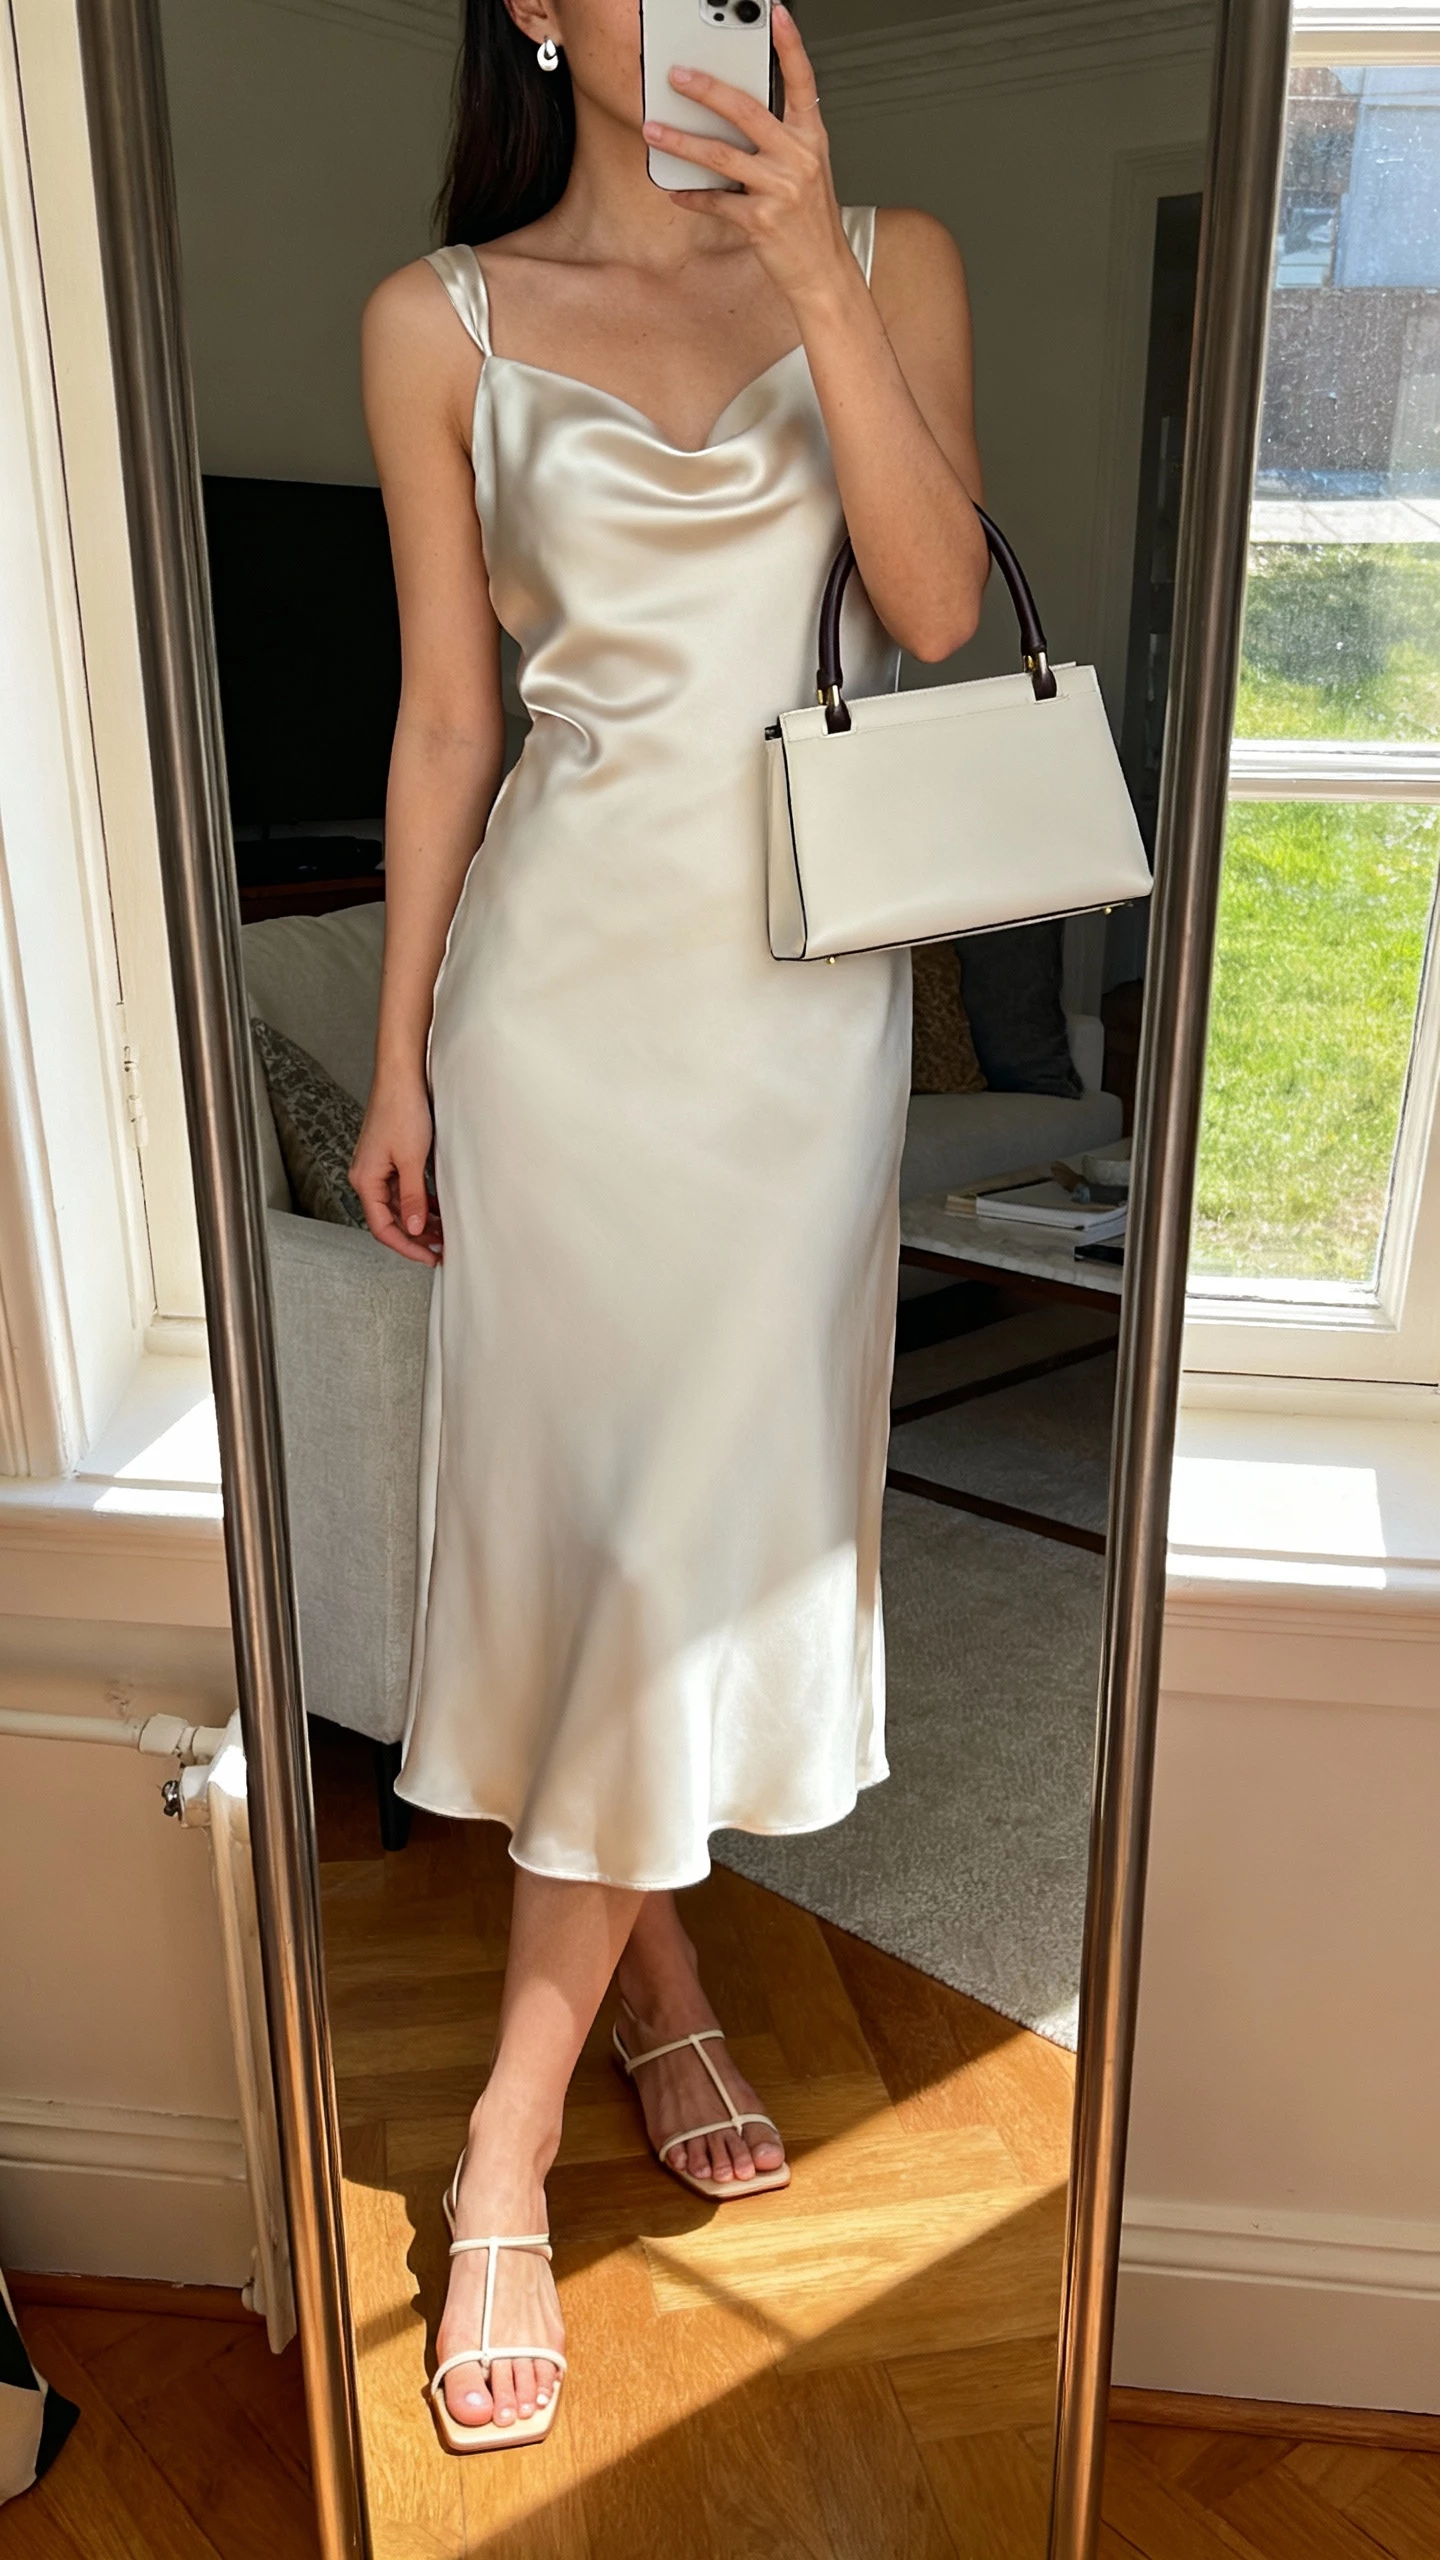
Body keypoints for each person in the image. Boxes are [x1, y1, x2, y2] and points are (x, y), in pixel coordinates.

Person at [350, 0, 985, 2452]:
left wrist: (817, 264)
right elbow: (443, 720)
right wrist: (401, 1047)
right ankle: (587, 2051)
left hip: (798, 1018)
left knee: (704, 1536)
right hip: (558, 1016)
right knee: (611, 1530)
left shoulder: (893, 253)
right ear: (535, 8)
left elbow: (933, 605)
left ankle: (556, 2076)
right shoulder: (444, 318)